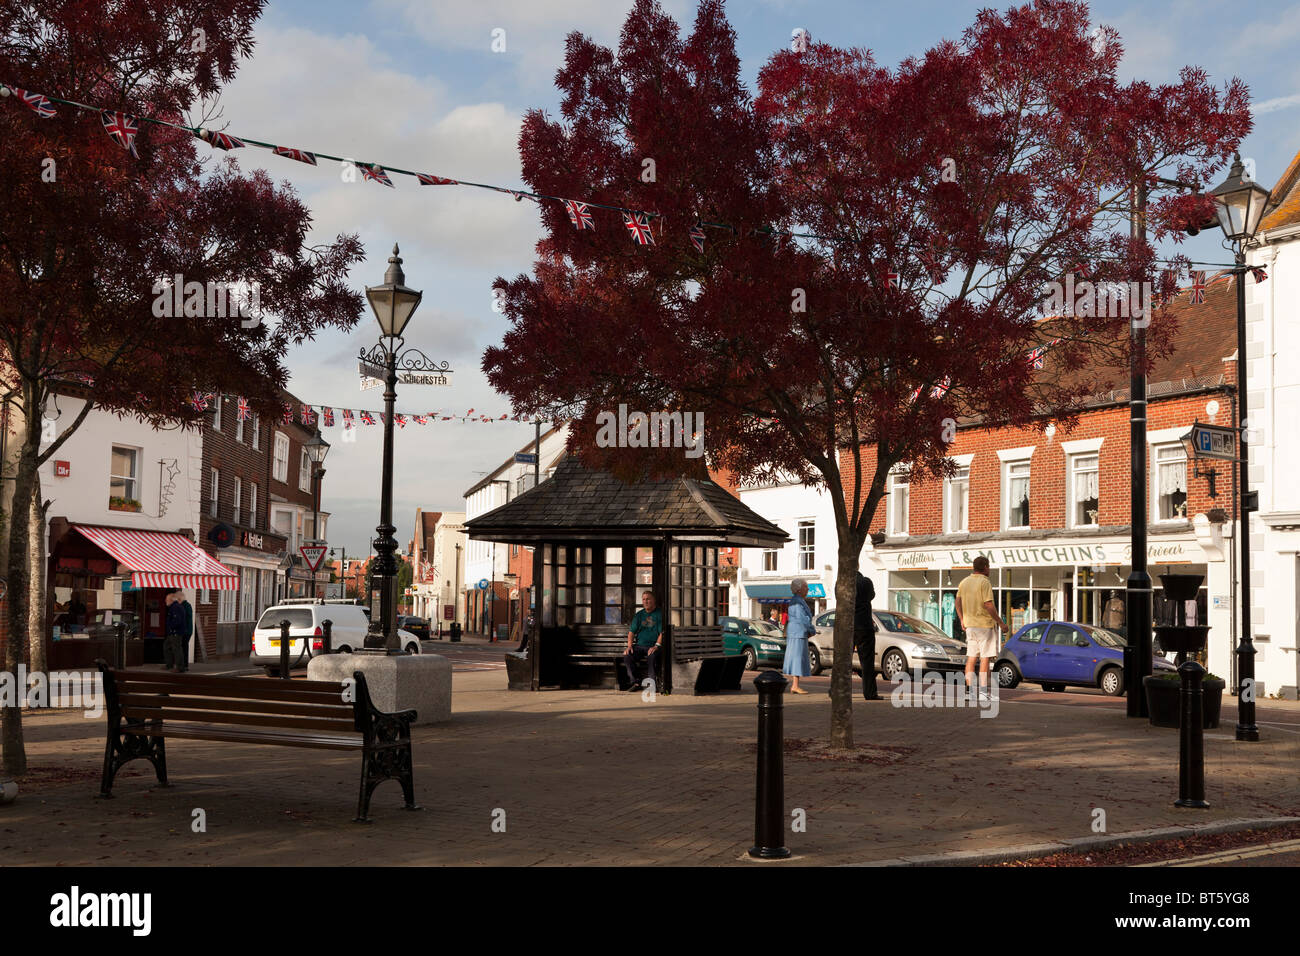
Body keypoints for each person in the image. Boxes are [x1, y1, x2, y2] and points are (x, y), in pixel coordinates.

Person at [956, 557, 1010, 703]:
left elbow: (957, 602)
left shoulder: (964, 582)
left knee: (971, 658)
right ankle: (983, 692)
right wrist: (1001, 623)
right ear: (985, 567)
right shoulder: (984, 582)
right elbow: (988, 605)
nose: (990, 569)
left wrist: (962, 619)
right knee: (985, 658)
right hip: (984, 626)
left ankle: (969, 692)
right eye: (989, 566)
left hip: (970, 626)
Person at [621, 590, 663, 691]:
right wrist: (630, 646)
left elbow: (662, 633)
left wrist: (656, 646)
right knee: (627, 655)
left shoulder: (660, 614)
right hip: (639, 646)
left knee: (652, 656)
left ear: (654, 600)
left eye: (648, 599)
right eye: (644, 599)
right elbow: (631, 632)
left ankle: (652, 684)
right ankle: (636, 682)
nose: (645, 601)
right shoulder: (639, 615)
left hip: (654, 646)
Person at [782, 579, 815, 694]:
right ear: (799, 589)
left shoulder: (798, 600)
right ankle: (795, 686)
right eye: (806, 587)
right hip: (797, 633)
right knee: (797, 658)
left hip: (797, 633)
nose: (808, 589)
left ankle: (795, 685)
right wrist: (811, 630)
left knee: (798, 658)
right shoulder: (797, 601)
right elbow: (802, 618)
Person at [854, 572, 882, 700]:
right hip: (864, 625)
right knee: (867, 662)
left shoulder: (841, 583)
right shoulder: (865, 582)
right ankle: (870, 692)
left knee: (842, 659)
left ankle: (837, 689)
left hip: (847, 626)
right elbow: (872, 595)